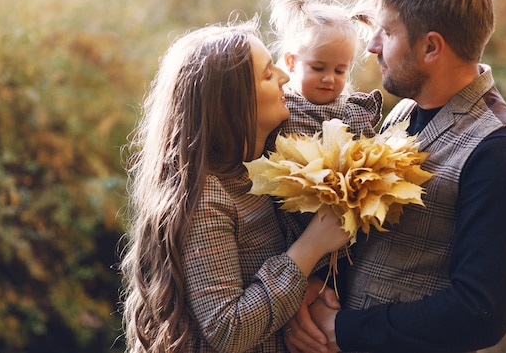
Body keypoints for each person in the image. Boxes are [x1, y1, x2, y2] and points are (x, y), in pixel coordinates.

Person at [284, 0, 506, 353]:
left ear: (431, 48)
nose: (371, 46)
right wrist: (314, 290)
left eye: (387, 33)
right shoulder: (404, 113)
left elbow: (479, 312)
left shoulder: (502, 151)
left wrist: (345, 330)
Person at [119, 19, 350, 353]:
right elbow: (228, 329)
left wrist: (306, 287)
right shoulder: (207, 197)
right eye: (269, 74)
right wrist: (310, 247)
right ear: (231, 102)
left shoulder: (258, 174)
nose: (285, 78)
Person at [267, 0, 383, 146]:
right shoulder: (279, 108)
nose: (329, 78)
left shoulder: (352, 113)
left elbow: (372, 156)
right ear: (291, 62)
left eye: (339, 70)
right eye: (318, 68)